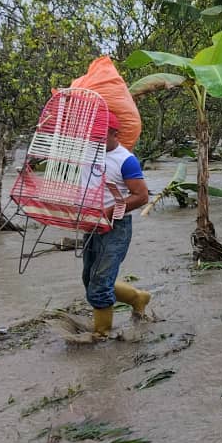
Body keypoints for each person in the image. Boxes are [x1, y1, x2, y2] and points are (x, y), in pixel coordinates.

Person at [82, 112, 150, 339]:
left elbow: (141, 196)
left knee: (99, 284)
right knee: (89, 279)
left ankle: (101, 336)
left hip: (116, 227)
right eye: (92, 136)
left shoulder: (125, 160)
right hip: (91, 224)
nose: (95, 140)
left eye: (100, 136)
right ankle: (136, 298)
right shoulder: (88, 152)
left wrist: (110, 211)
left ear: (114, 133)